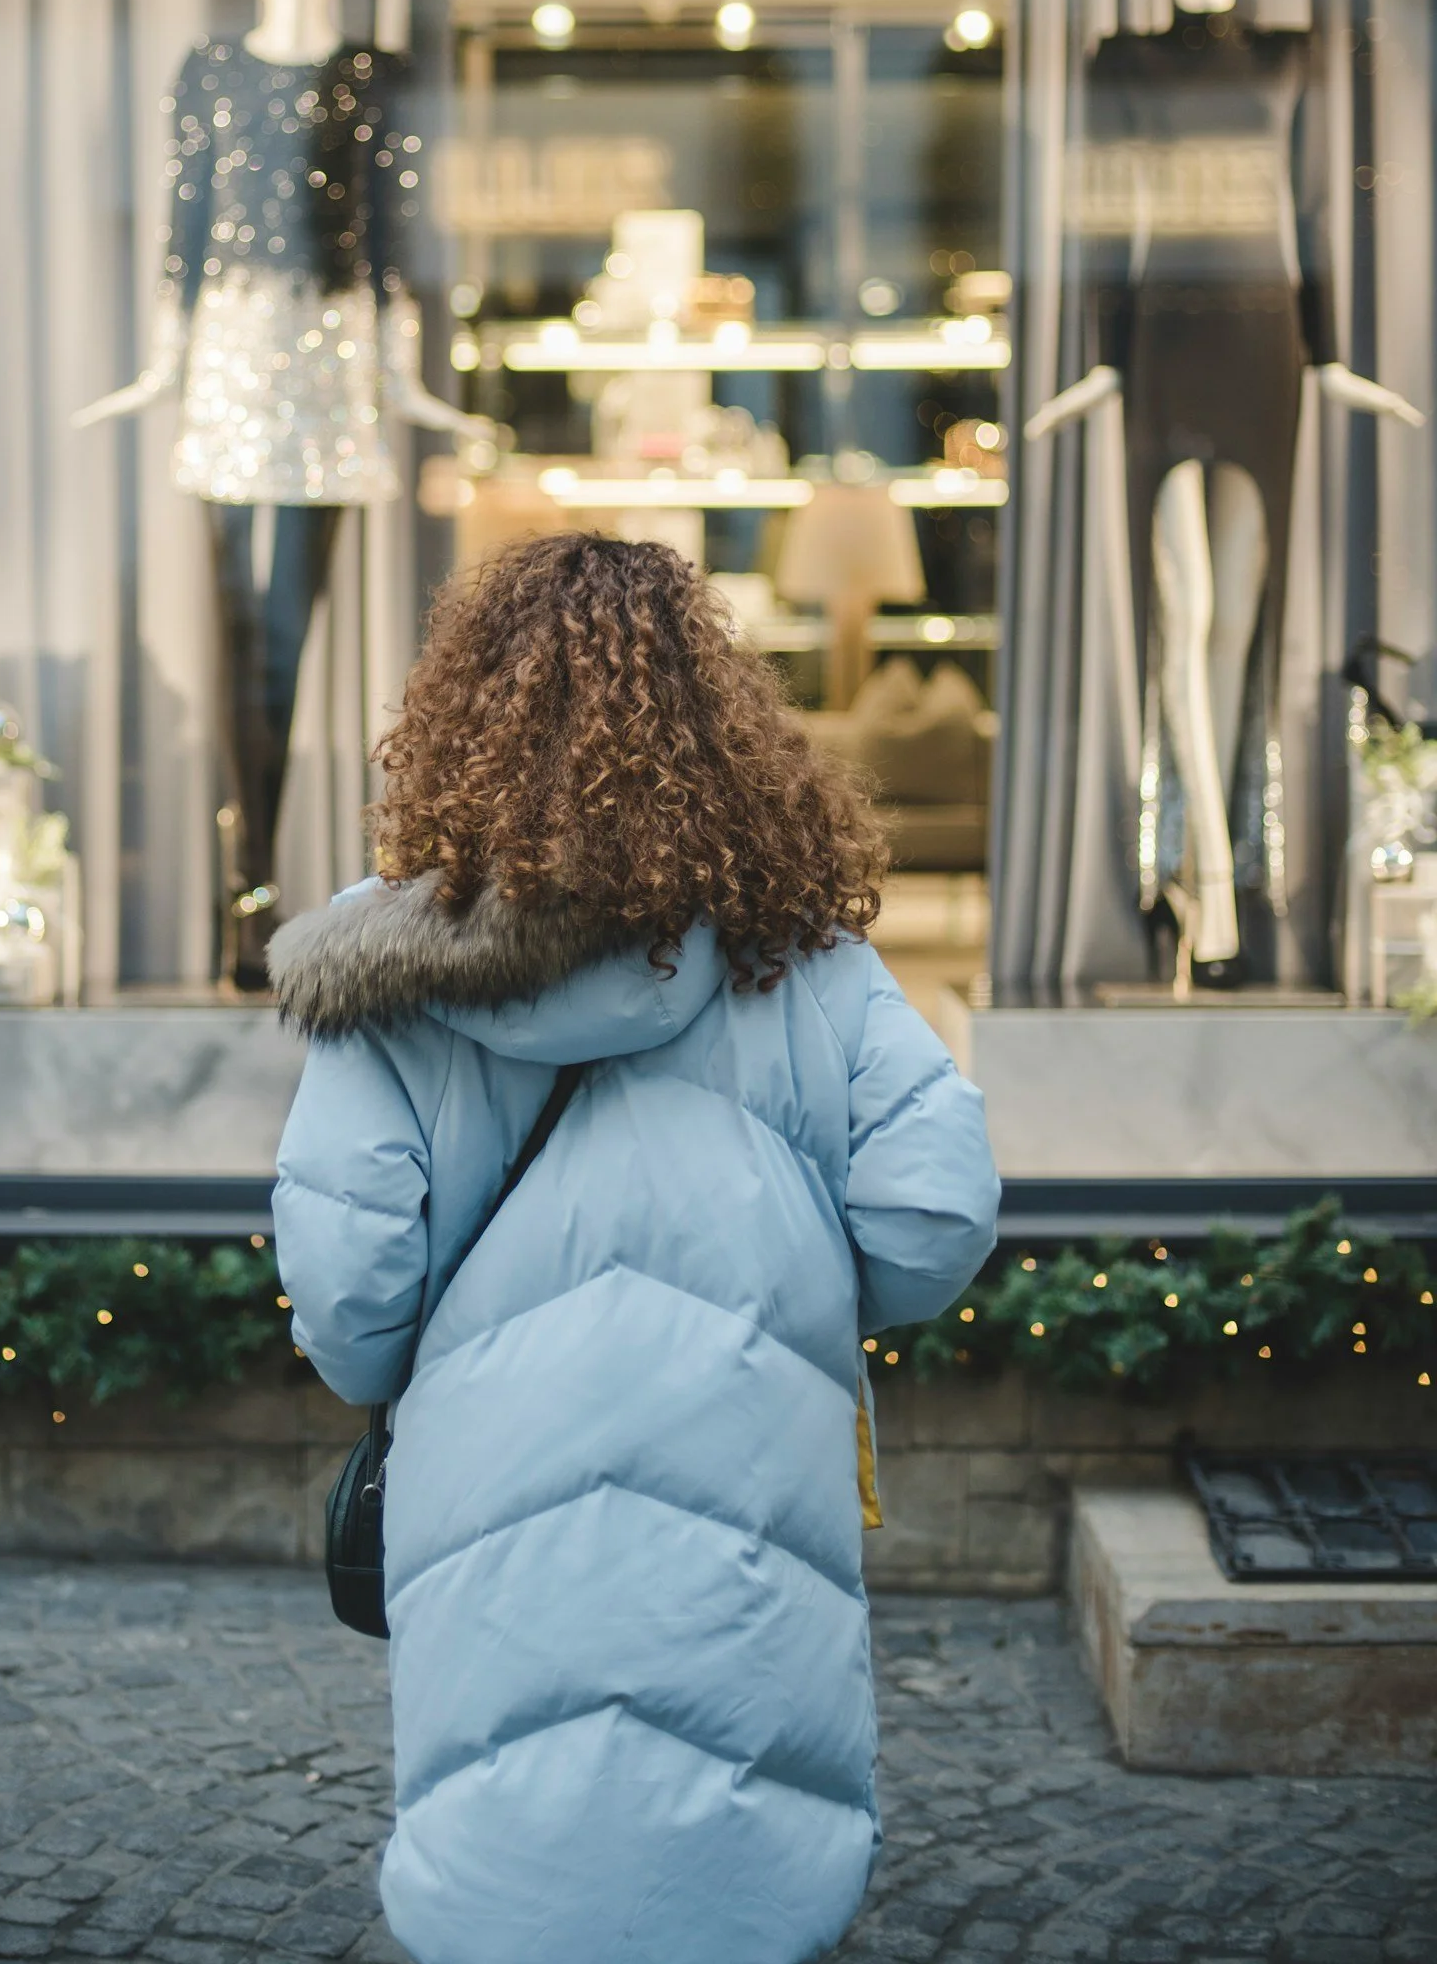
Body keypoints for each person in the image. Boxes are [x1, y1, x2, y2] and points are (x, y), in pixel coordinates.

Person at [269, 532, 999, 1964]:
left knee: (510, 1779)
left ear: (457, 723)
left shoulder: (384, 977)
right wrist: (771, 1296)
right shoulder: (803, 951)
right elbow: (933, 1215)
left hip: (486, 1467)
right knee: (741, 1756)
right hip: (750, 1450)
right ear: (722, 722)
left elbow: (349, 1295)